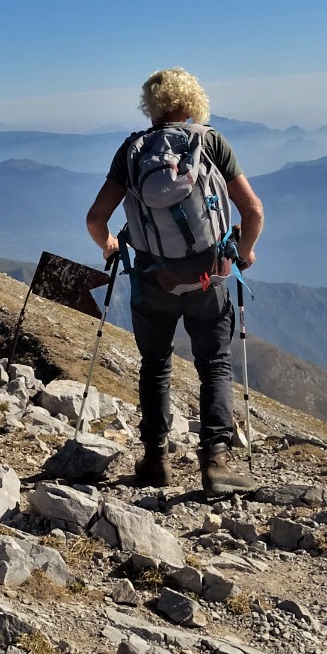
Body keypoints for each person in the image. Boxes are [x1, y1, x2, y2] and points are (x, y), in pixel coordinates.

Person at [86, 67, 264, 494]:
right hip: (210, 278)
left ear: (152, 106)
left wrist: (110, 246)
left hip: (153, 280)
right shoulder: (211, 143)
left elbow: (95, 220)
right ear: (193, 102)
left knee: (156, 366)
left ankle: (155, 460)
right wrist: (245, 253)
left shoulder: (131, 151)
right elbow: (253, 212)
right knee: (215, 365)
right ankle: (216, 464)